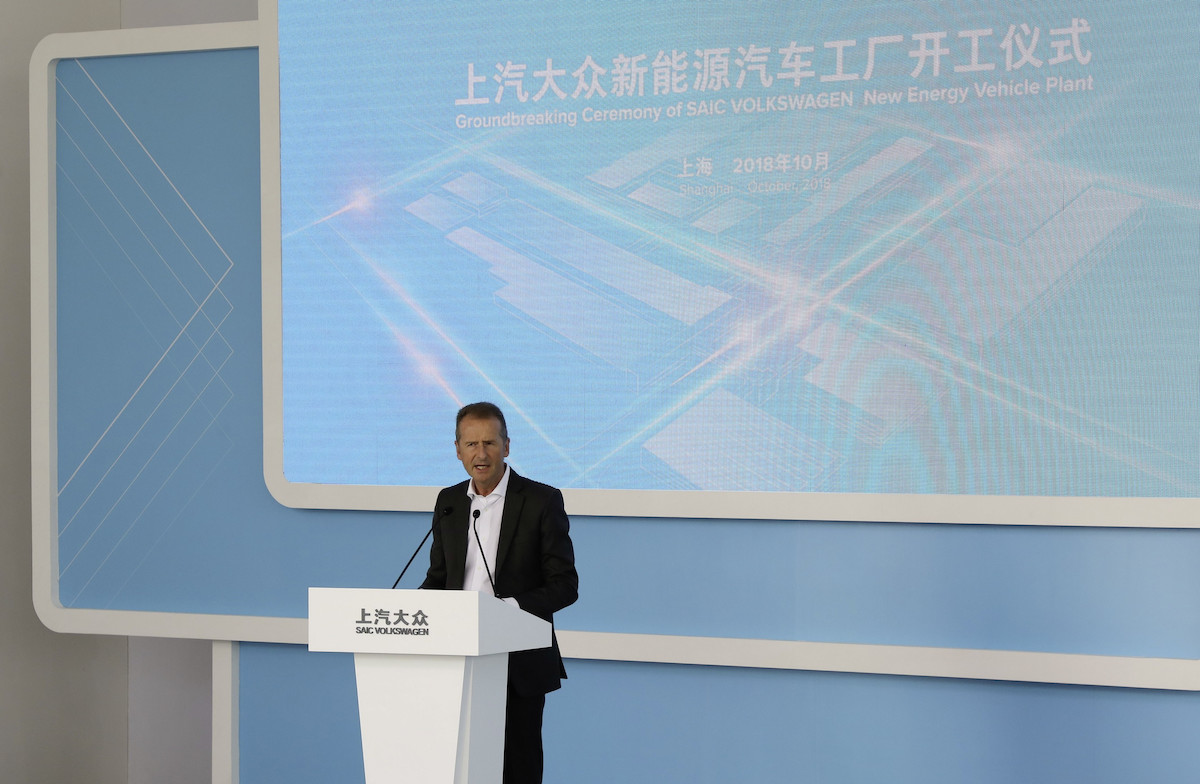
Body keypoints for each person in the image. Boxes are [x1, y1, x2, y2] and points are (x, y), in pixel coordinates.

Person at [421, 402, 578, 784]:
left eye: (489, 442)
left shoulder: (541, 500)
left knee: (516, 769)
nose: (481, 453)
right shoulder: (449, 502)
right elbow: (438, 578)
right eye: (471, 444)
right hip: (455, 656)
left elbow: (564, 585)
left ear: (506, 446)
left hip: (517, 659)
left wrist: (506, 609)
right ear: (457, 450)